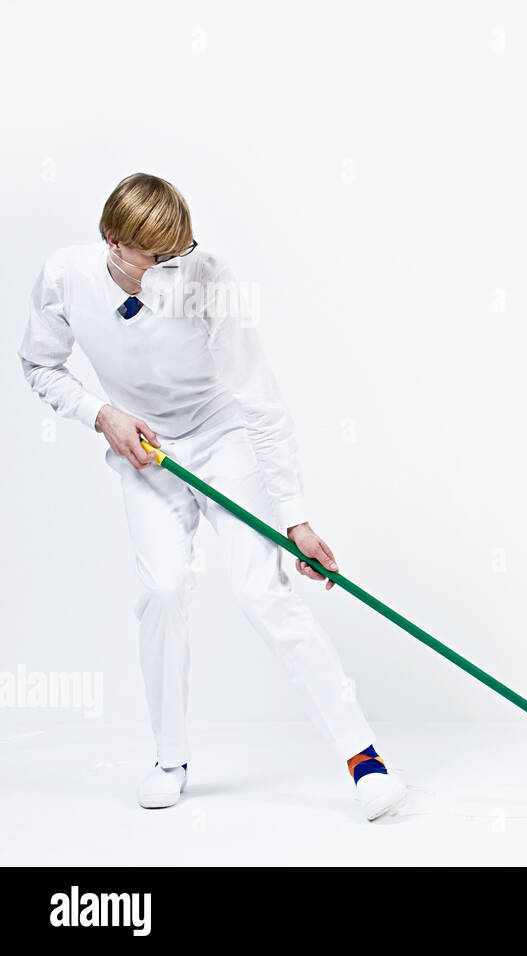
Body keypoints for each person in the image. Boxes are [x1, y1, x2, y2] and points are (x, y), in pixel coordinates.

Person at [18, 172, 405, 821]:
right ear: (113, 242)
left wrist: (294, 519)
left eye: (179, 254)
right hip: (145, 448)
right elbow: (39, 364)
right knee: (164, 590)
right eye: (156, 258)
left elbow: (260, 400)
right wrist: (101, 415)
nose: (171, 270)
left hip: (223, 437)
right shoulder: (65, 276)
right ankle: (170, 759)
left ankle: (363, 758)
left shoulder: (209, 279)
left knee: (261, 592)